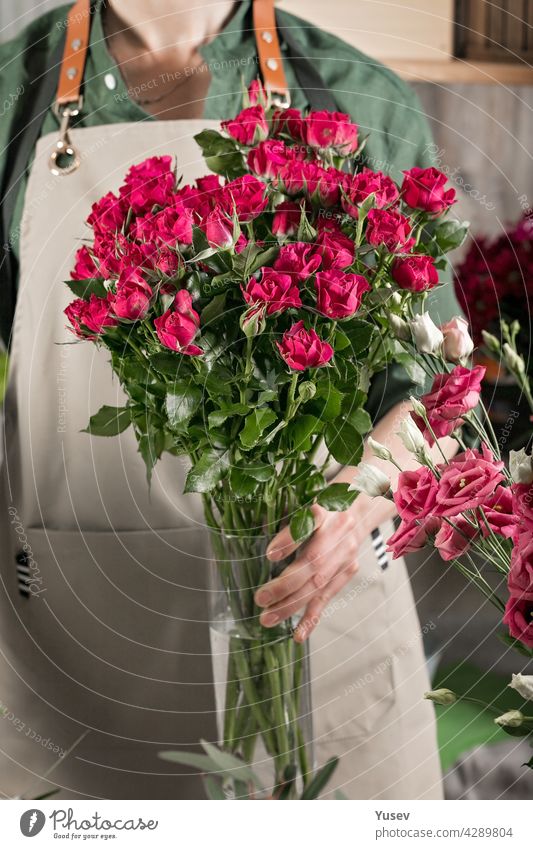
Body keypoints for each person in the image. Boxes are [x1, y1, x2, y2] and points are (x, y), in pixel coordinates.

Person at [0, 0, 462, 800]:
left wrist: (351, 506)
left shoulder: (354, 94)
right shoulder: (15, 94)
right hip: (70, 650)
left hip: (318, 617)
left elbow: (436, 394)